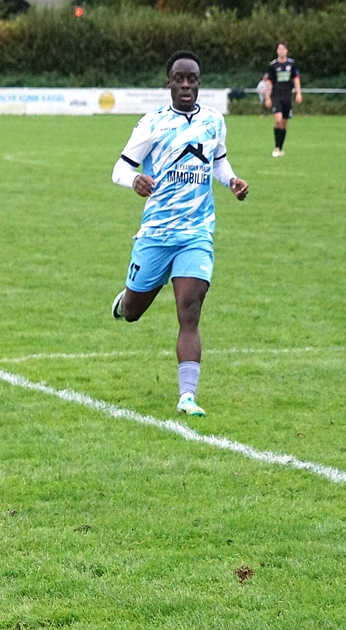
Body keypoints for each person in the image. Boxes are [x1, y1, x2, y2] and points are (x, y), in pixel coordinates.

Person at [109, 51, 249, 417]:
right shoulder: (152, 123)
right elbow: (119, 169)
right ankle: (125, 301)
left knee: (190, 310)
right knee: (133, 311)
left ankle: (187, 396)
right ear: (169, 82)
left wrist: (232, 181)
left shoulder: (214, 122)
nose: (186, 85)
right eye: (179, 79)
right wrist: (134, 180)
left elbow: (217, 161)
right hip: (156, 233)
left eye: (192, 79)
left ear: (199, 83)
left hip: (196, 232)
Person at [264, 41, 302, 157]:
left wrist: (298, 93)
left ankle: (280, 148)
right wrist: (267, 97)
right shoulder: (273, 65)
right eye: (279, 49)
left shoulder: (291, 64)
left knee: (284, 123)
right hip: (276, 96)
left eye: (283, 49)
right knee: (278, 120)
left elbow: (296, 79)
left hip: (287, 96)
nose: (281, 51)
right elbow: (268, 82)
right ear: (277, 51)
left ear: (286, 51)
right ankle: (276, 147)